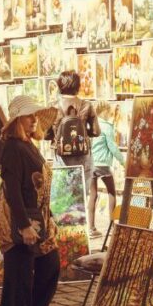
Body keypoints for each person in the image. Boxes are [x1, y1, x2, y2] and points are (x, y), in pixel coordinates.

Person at [0, 95, 60, 306]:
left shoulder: (28, 145)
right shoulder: (12, 147)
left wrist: (48, 217)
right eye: (28, 116)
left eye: (35, 116)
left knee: (50, 264)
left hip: (38, 217)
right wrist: (23, 225)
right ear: (17, 121)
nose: (34, 120)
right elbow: (13, 190)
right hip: (19, 219)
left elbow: (36, 187)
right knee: (19, 275)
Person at [48, 70, 100, 201]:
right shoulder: (87, 105)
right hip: (83, 155)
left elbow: (45, 135)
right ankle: (81, 221)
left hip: (61, 156)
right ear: (78, 87)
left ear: (60, 86)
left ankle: (63, 220)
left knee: (62, 199)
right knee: (80, 198)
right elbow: (96, 132)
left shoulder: (53, 107)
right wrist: (80, 133)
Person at [89, 102, 124, 239]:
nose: (110, 113)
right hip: (102, 164)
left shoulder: (91, 124)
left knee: (93, 195)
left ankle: (91, 228)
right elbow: (113, 147)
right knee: (111, 192)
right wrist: (123, 161)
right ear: (104, 111)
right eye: (109, 111)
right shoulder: (106, 127)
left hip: (91, 163)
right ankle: (111, 226)